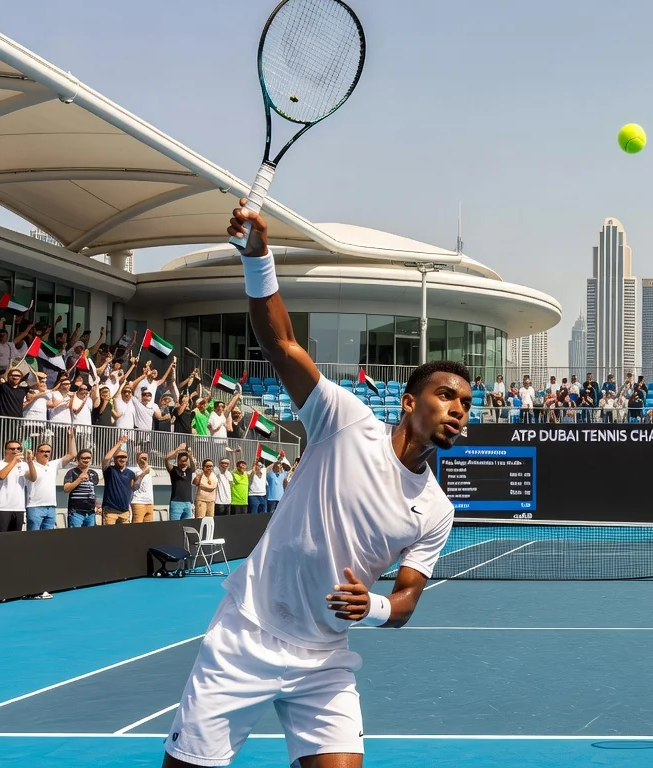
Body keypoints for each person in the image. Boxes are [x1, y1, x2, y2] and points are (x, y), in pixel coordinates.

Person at [161, 201, 472, 768]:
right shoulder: (346, 420)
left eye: (466, 404)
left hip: (325, 659)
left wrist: (371, 606)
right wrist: (258, 256)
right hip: (247, 635)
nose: (457, 409)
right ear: (408, 403)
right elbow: (281, 344)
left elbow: (404, 603)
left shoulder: (436, 509)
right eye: (445, 395)